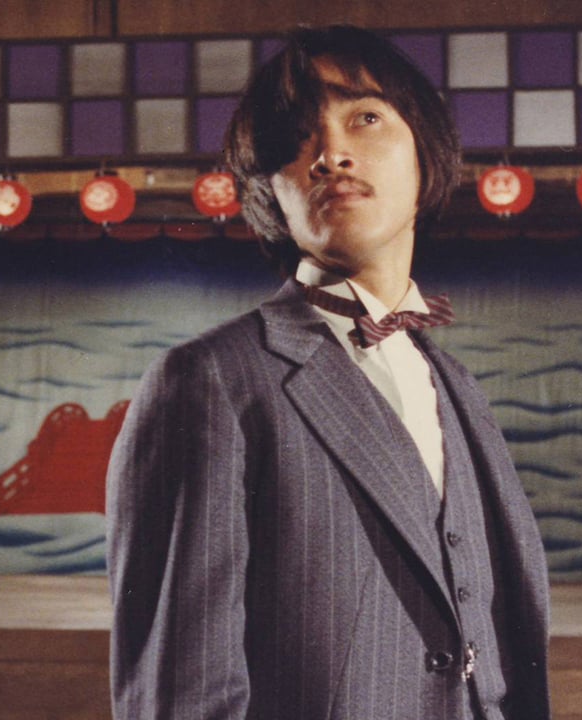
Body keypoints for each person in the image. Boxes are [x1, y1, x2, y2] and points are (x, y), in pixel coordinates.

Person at [106, 25, 551, 720]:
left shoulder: (455, 384)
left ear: (427, 153)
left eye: (365, 118)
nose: (331, 155)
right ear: (270, 191)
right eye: (295, 138)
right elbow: (179, 696)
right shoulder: (209, 380)